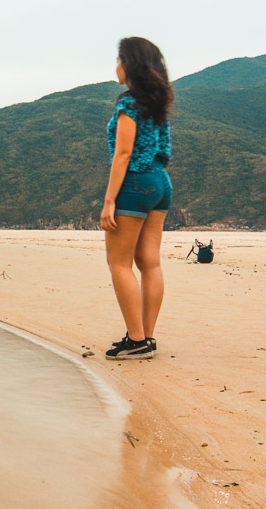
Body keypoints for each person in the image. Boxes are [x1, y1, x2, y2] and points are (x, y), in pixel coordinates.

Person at [101, 37, 174, 360]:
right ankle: (147, 337)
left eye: (118, 59)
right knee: (150, 262)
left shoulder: (129, 104)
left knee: (119, 263)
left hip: (135, 182)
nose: (115, 66)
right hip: (161, 182)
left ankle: (136, 339)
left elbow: (124, 153)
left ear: (129, 64)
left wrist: (108, 202)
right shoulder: (157, 104)